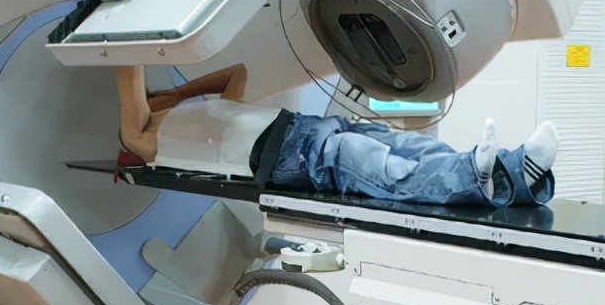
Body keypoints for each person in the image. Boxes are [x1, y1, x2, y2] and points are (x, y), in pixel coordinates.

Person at [115, 63, 556, 207]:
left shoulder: (207, 108)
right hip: (284, 159)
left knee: (405, 143)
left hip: (304, 127)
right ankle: (470, 177)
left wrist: (177, 92)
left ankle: (515, 171)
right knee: (366, 158)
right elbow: (128, 68)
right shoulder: (147, 142)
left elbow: (238, 72)